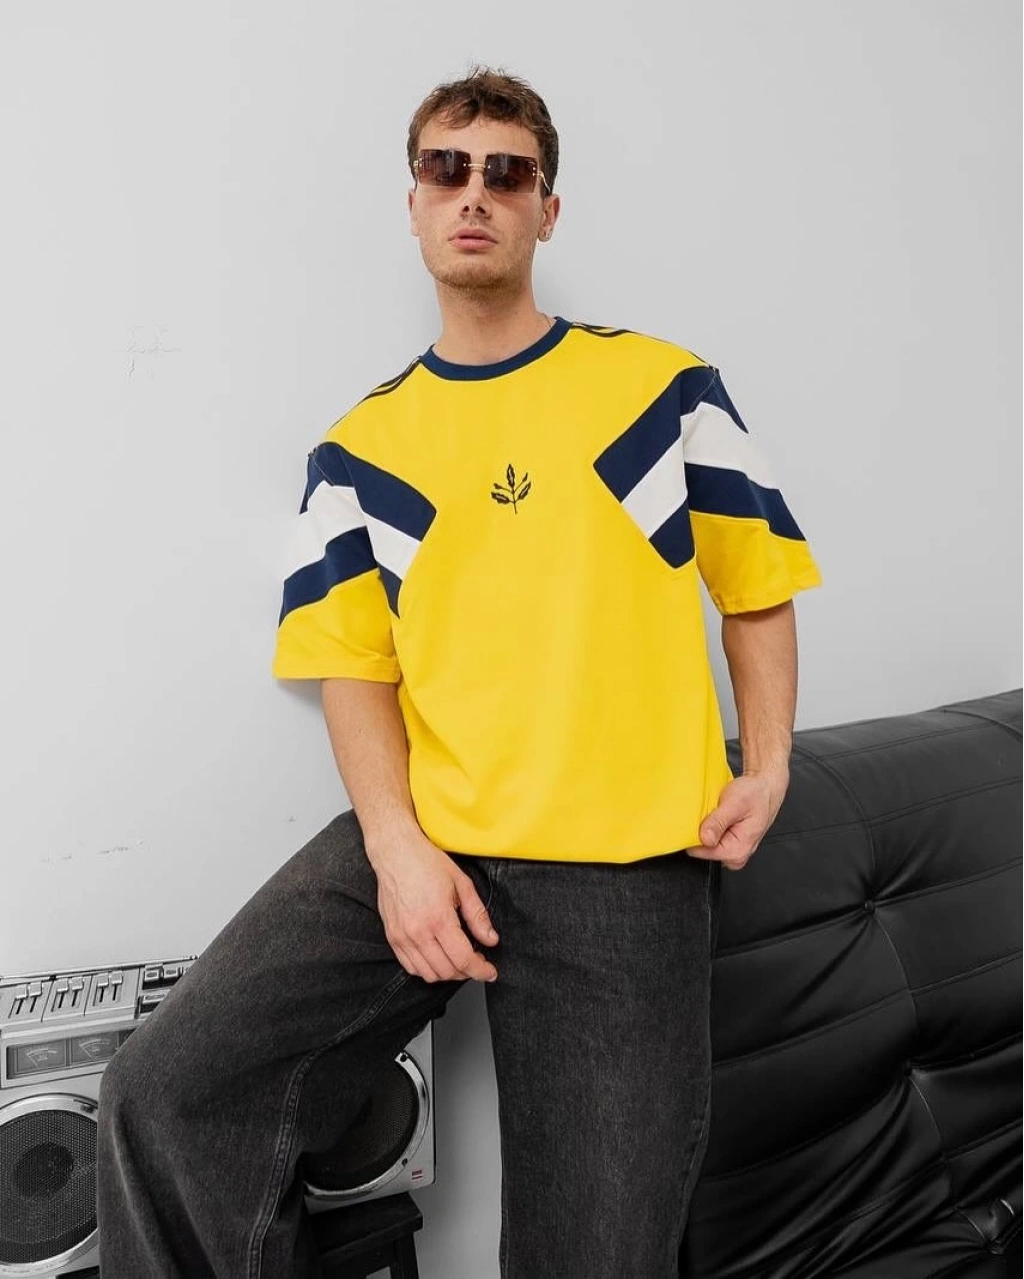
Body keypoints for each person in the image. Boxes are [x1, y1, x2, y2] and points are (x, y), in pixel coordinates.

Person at [97, 65, 822, 1278]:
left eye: (506, 172)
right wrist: (395, 851)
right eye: (447, 168)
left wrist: (773, 760)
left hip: (625, 866)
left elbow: (755, 587)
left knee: (593, 1252)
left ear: (548, 209)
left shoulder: (662, 389)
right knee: (166, 1092)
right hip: (429, 835)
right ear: (415, 203)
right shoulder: (359, 447)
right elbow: (349, 667)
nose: (473, 192)